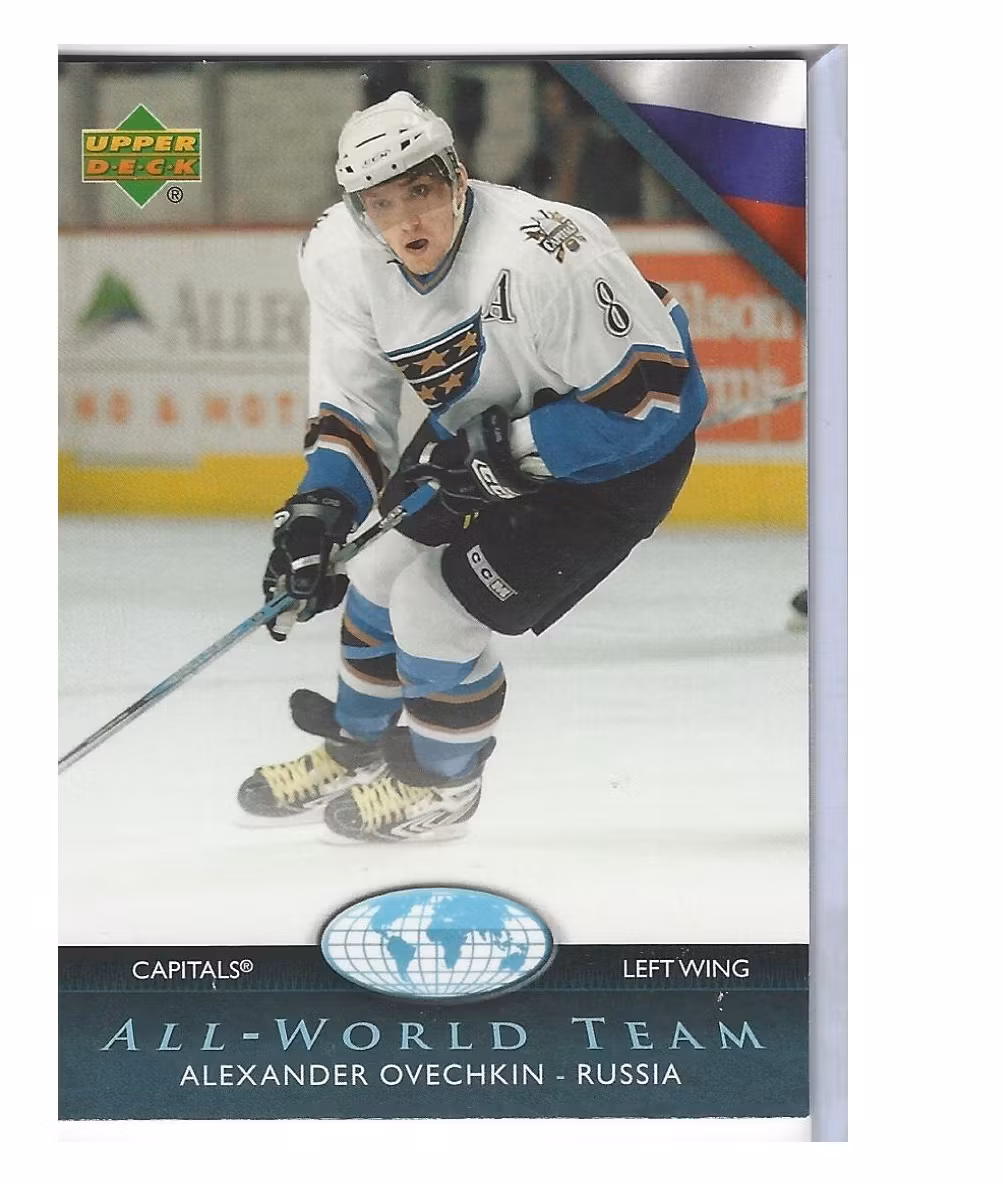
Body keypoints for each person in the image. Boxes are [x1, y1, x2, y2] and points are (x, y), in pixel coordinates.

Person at [237, 92, 708, 843]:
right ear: (359, 210)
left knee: (433, 605)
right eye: (381, 204)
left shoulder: (551, 252)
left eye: (420, 191)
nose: (407, 222)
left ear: (458, 177)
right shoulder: (337, 254)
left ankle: (445, 784)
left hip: (611, 470)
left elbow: (656, 402)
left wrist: (510, 452)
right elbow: (354, 406)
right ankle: (357, 749)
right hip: (478, 431)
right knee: (373, 571)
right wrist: (319, 512)